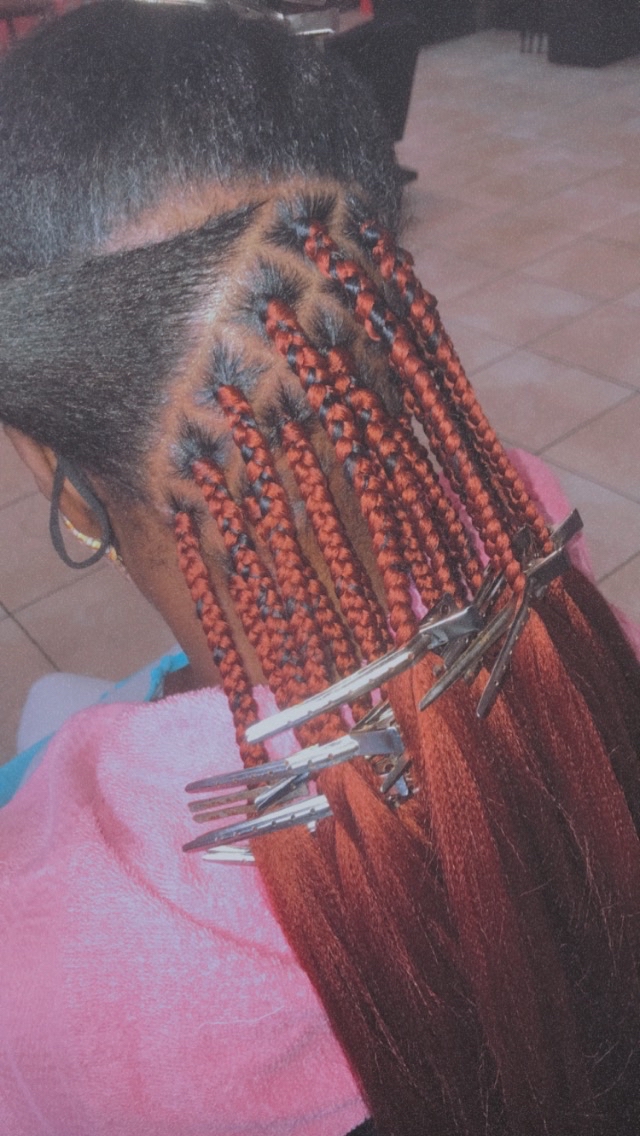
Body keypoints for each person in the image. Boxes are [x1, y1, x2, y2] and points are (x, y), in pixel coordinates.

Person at [0, 4, 639, 1134]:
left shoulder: (45, 953)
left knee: (51, 715)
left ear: (53, 465)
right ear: (378, 318)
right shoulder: (530, 518)